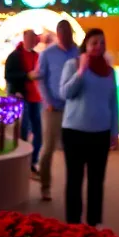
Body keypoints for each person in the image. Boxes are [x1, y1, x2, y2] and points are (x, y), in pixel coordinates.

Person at [60, 28, 119, 226]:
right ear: (85, 45)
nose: (98, 46)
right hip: (74, 132)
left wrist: (114, 131)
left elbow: (113, 103)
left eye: (102, 43)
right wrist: (81, 71)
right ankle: (73, 224)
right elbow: (65, 93)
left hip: (100, 133)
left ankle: (93, 224)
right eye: (94, 42)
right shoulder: (73, 64)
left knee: (97, 181)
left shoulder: (109, 71)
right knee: (74, 180)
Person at [36, 20, 79, 202]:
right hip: (52, 108)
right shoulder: (47, 54)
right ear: (58, 35)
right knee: (48, 148)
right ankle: (45, 186)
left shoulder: (79, 52)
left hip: (74, 107)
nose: (66, 38)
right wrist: (47, 101)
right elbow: (40, 79)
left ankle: (73, 188)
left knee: (74, 150)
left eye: (68, 34)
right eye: (63, 34)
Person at [5, 29, 43, 175]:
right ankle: (23, 160)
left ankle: (32, 161)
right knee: (24, 128)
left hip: (36, 97)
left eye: (34, 39)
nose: (32, 41)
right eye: (30, 38)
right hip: (23, 96)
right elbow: (9, 75)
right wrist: (26, 76)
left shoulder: (37, 56)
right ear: (25, 38)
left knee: (38, 131)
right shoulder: (15, 56)